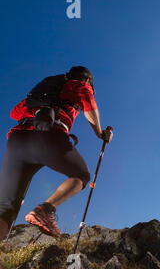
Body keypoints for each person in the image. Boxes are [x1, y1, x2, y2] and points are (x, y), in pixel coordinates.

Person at [0, 66, 113, 240]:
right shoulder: (79, 85)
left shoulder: (42, 92)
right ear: (87, 80)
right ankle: (45, 210)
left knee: (5, 209)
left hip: (16, 142)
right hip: (48, 136)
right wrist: (100, 134)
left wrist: (42, 107)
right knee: (81, 175)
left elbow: (14, 112)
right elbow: (88, 102)